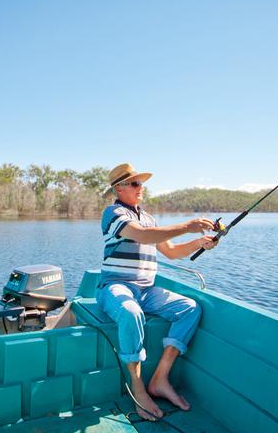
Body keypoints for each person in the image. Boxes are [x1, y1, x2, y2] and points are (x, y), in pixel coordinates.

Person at [97, 163, 218, 421]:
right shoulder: (113, 213)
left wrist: (199, 243)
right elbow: (142, 236)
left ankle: (160, 378)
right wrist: (187, 226)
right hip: (115, 287)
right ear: (119, 188)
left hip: (146, 290)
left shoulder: (149, 218)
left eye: (141, 183)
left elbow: (172, 252)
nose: (141, 188)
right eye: (134, 183)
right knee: (130, 311)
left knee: (190, 308)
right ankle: (138, 386)